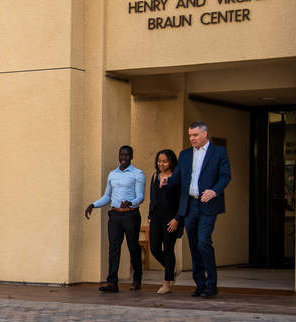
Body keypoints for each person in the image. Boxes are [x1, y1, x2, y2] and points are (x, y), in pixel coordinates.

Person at [161, 122, 231, 298]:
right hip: (190, 205)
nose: (191, 138)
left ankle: (211, 284)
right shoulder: (184, 155)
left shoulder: (218, 152)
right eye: (190, 135)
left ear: (204, 134)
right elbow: (177, 177)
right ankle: (200, 284)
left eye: (195, 135)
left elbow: (225, 176)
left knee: (203, 241)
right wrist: (167, 181)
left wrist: (214, 191)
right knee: (193, 244)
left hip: (208, 204)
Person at [85, 145, 146, 293]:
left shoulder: (138, 174)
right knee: (114, 248)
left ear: (131, 156)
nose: (123, 158)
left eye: (126, 155)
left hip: (131, 215)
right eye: (121, 155)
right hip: (115, 215)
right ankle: (112, 283)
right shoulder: (112, 174)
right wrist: (94, 205)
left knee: (133, 247)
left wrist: (131, 202)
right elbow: (107, 196)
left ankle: (137, 279)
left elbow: (140, 196)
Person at [148, 149, 182, 294]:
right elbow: (152, 197)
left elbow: (182, 200)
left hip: (171, 219)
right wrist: (150, 216)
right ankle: (171, 268)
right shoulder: (155, 175)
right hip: (156, 217)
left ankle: (167, 284)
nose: (161, 163)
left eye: (164, 161)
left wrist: (177, 219)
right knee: (154, 249)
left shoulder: (176, 177)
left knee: (168, 249)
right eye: (159, 161)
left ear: (171, 162)